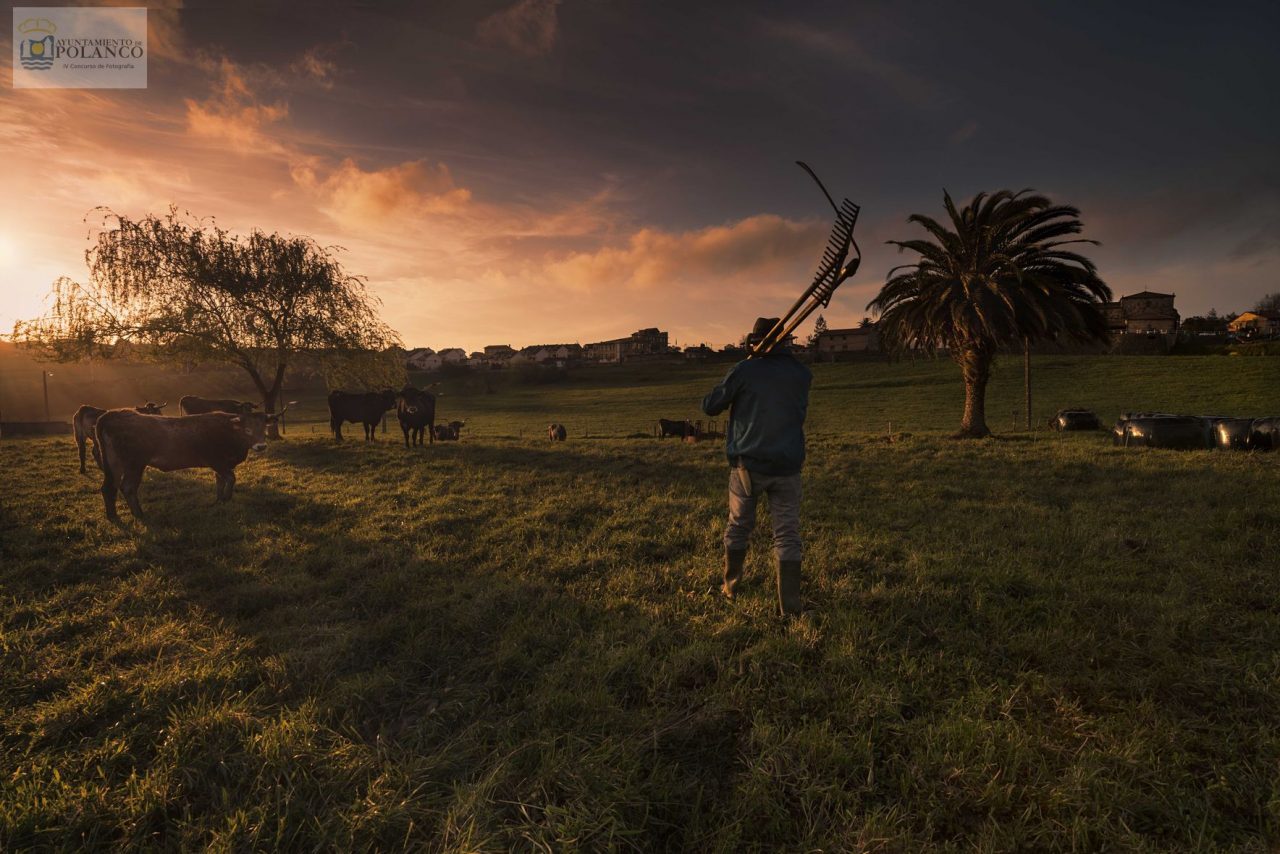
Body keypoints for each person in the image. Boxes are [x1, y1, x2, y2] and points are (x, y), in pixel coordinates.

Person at [702, 317, 812, 616]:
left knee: (738, 528)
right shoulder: (801, 374)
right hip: (788, 464)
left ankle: (730, 588)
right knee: (787, 534)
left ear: (756, 341)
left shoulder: (745, 370)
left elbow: (711, 405)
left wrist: (743, 365)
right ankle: (789, 609)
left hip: (747, 465)